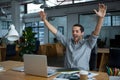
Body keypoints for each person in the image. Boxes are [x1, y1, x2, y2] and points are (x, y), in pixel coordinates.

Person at [39, 3, 107, 70]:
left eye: (77, 31)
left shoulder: (88, 44)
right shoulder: (68, 42)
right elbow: (56, 33)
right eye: (73, 31)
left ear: (82, 33)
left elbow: (95, 33)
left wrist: (101, 18)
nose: (74, 33)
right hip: (67, 72)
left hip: (81, 73)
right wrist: (45, 20)